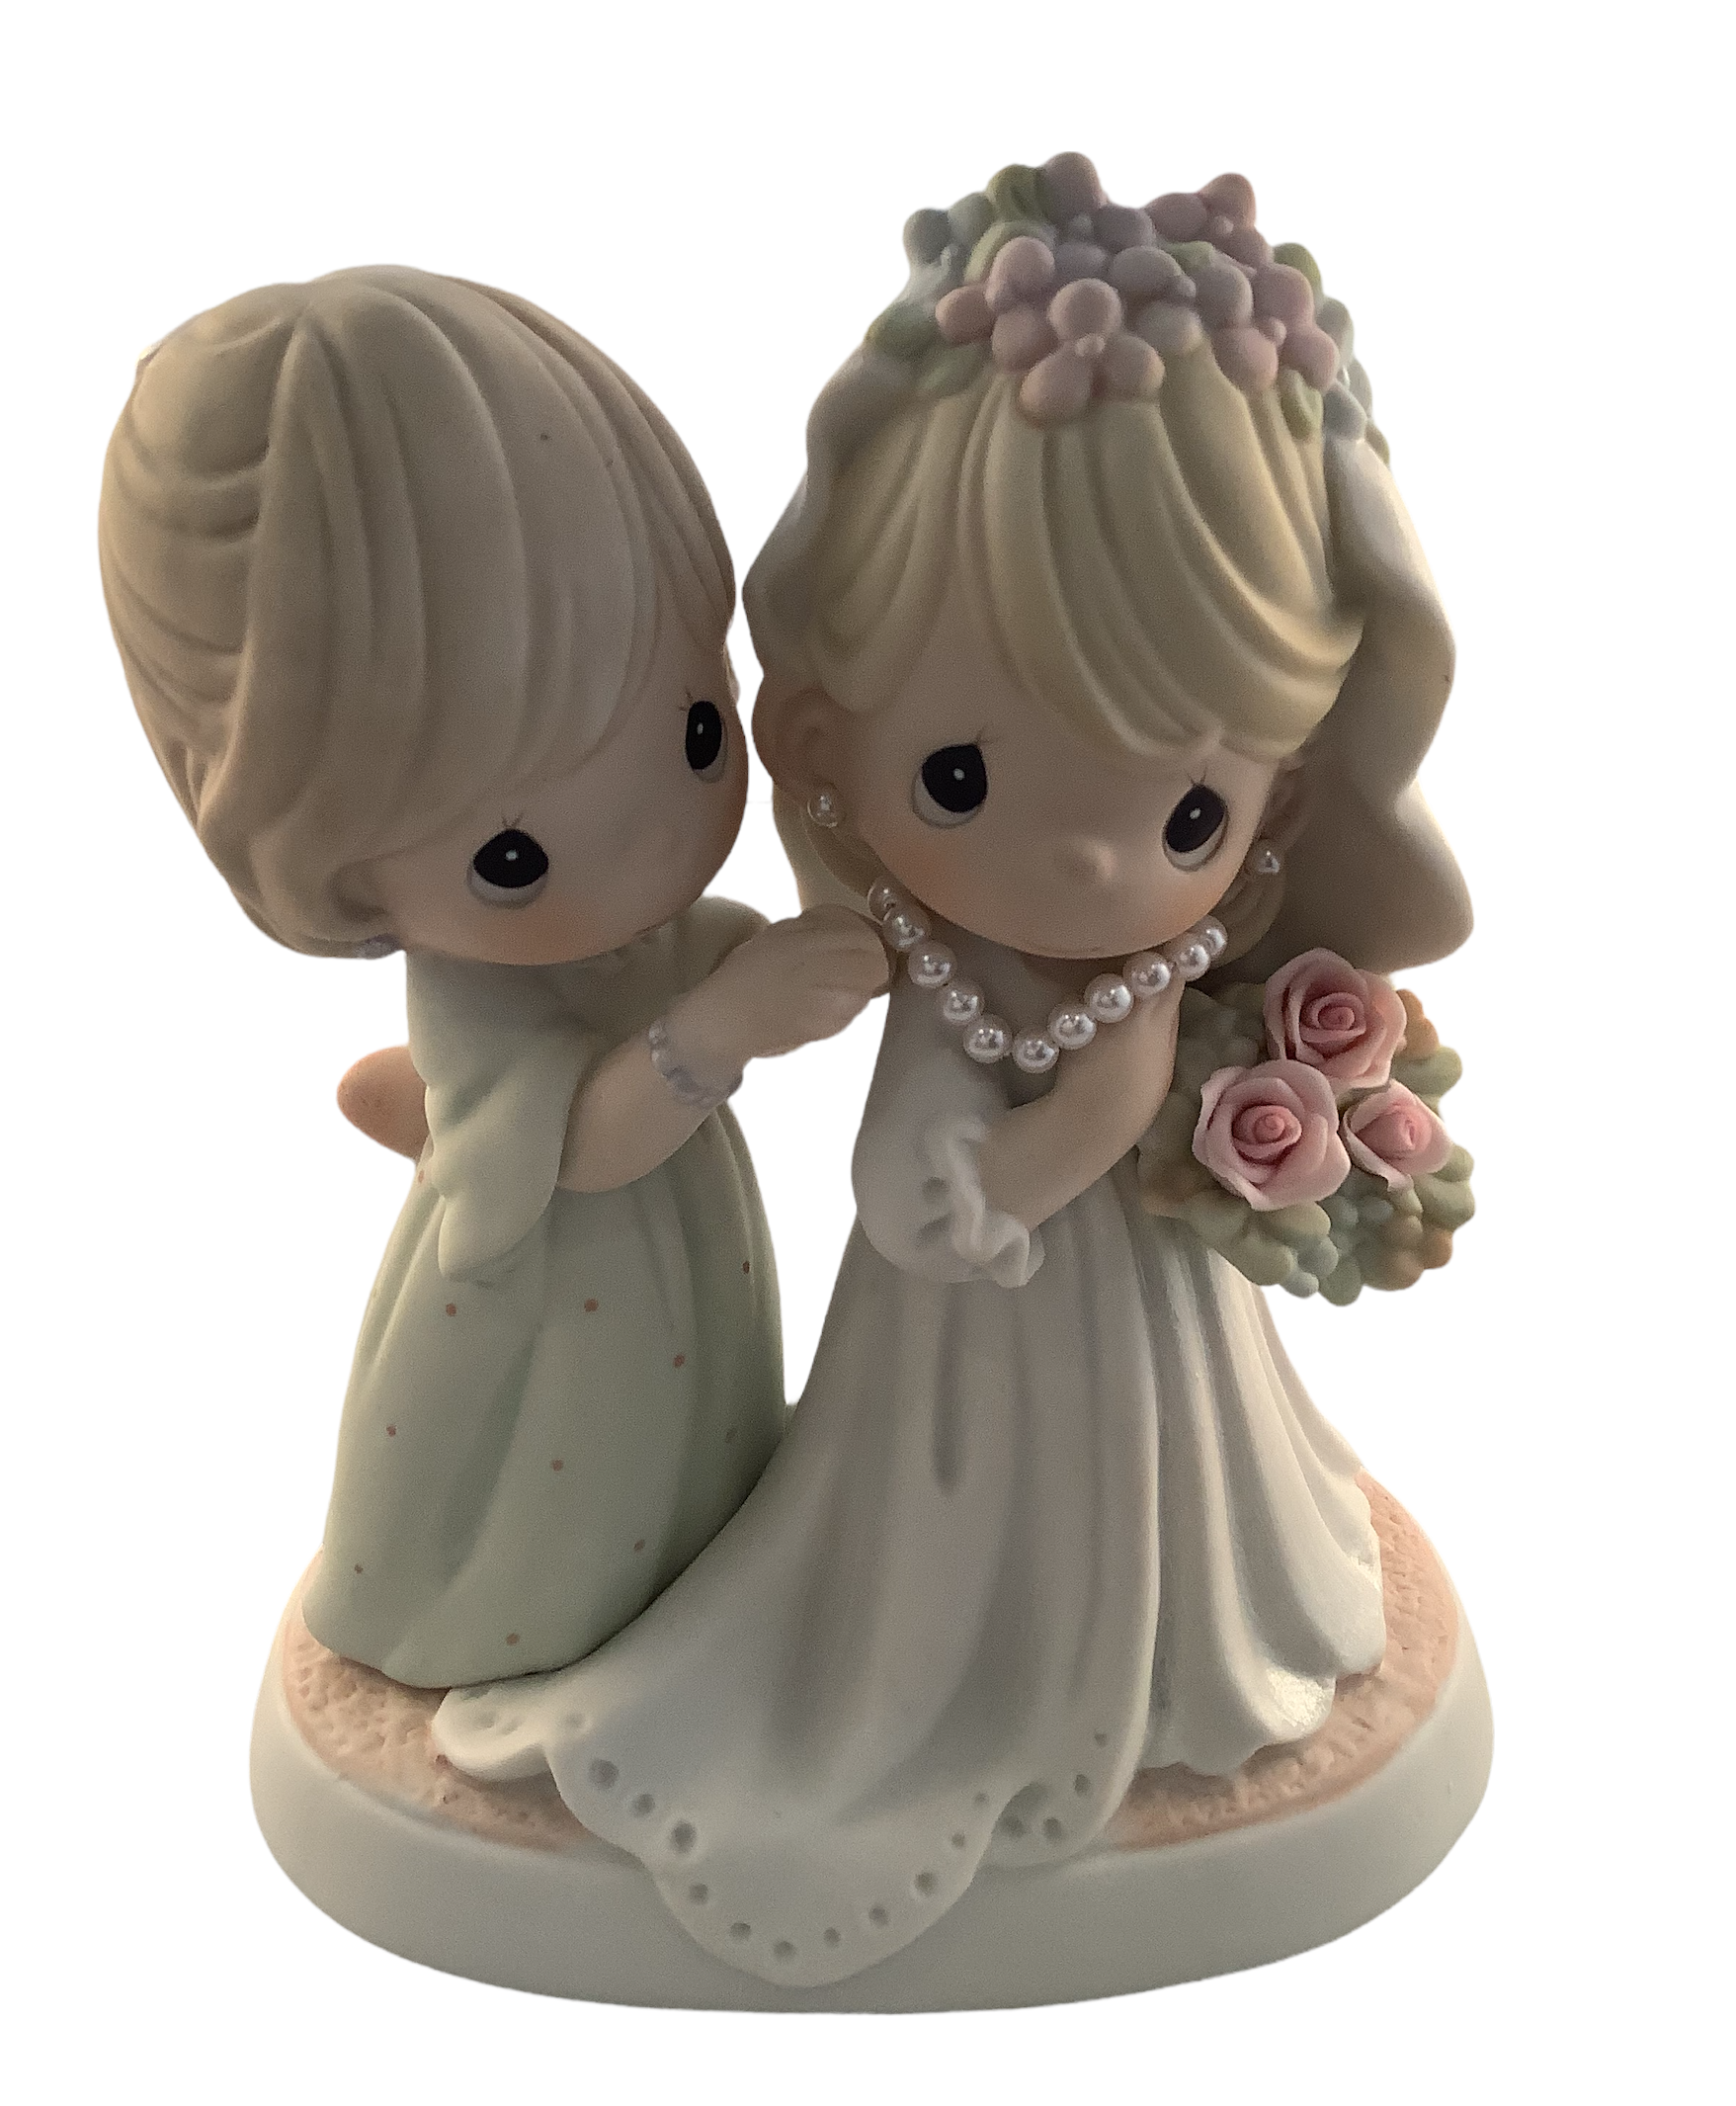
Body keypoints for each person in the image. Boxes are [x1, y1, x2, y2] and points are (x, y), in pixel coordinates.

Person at [432, 159, 1472, 1988]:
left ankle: (1159, 1643)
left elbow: (1112, 1098)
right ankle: (943, 1661)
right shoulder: (932, 963)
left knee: (1180, 1482)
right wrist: (980, 1169)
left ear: (1281, 798)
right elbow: (912, 1144)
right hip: (948, 1352)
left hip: (1128, 1320)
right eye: (965, 781)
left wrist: (1079, 1143)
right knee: (937, 1544)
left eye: (1188, 812)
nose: (1084, 866)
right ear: (832, 740)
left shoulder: (1156, 968)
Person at [100, 265, 884, 1687]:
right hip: (556, 1292)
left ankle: (692, 1568)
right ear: (335, 869)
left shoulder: (622, 931)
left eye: (697, 732)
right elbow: (572, 1151)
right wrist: (722, 1028)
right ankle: (522, 1624)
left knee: (694, 1446)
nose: (653, 842)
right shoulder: (476, 992)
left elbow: (685, 948)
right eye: (510, 855)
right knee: (574, 1486)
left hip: (678, 1244)